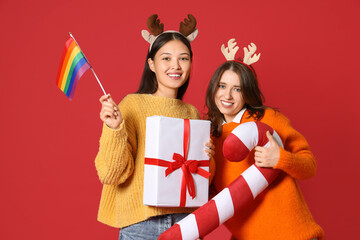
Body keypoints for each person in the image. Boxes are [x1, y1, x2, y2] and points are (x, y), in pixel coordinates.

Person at [94, 15, 215, 240]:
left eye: (184, 58)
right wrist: (114, 130)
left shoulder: (192, 113)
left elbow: (201, 181)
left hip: (185, 222)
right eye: (166, 58)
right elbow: (111, 174)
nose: (175, 66)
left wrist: (210, 158)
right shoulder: (131, 105)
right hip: (141, 225)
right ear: (151, 64)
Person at [205, 39, 324, 239]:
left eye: (237, 89)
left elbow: (309, 166)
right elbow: (209, 195)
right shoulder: (208, 135)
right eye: (222, 86)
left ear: (247, 93)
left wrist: (280, 158)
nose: (227, 95)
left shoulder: (268, 119)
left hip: (293, 234)